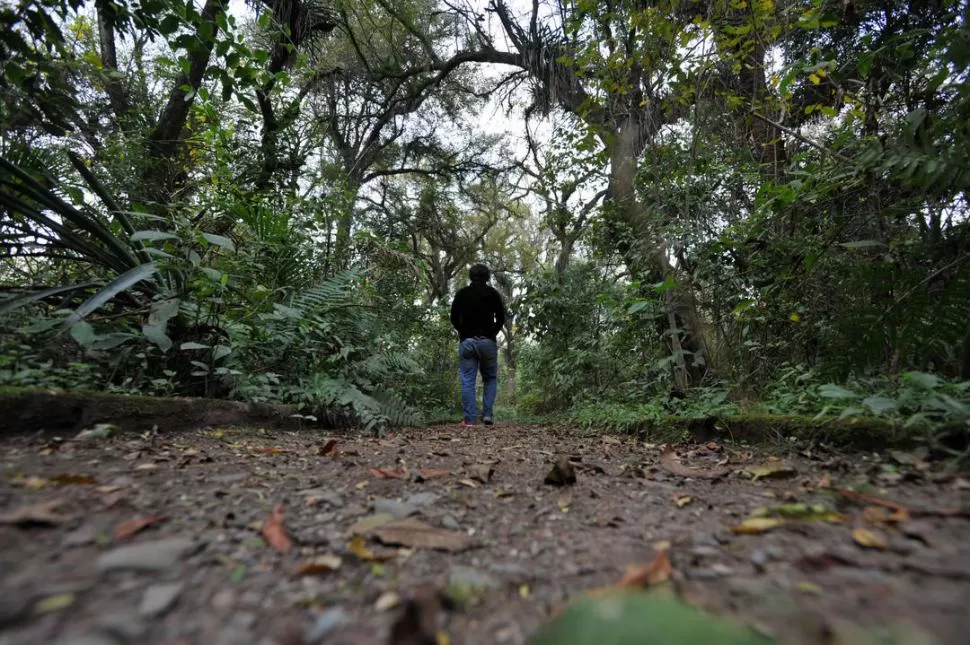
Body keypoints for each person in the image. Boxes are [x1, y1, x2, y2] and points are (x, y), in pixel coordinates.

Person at [450, 264, 506, 427]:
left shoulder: (462, 294)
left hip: (467, 342)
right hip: (488, 342)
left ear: (470, 276)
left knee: (468, 381)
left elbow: (453, 317)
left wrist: (463, 332)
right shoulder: (492, 294)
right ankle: (487, 415)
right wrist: (491, 334)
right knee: (490, 378)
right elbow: (501, 318)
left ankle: (469, 420)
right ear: (487, 277)